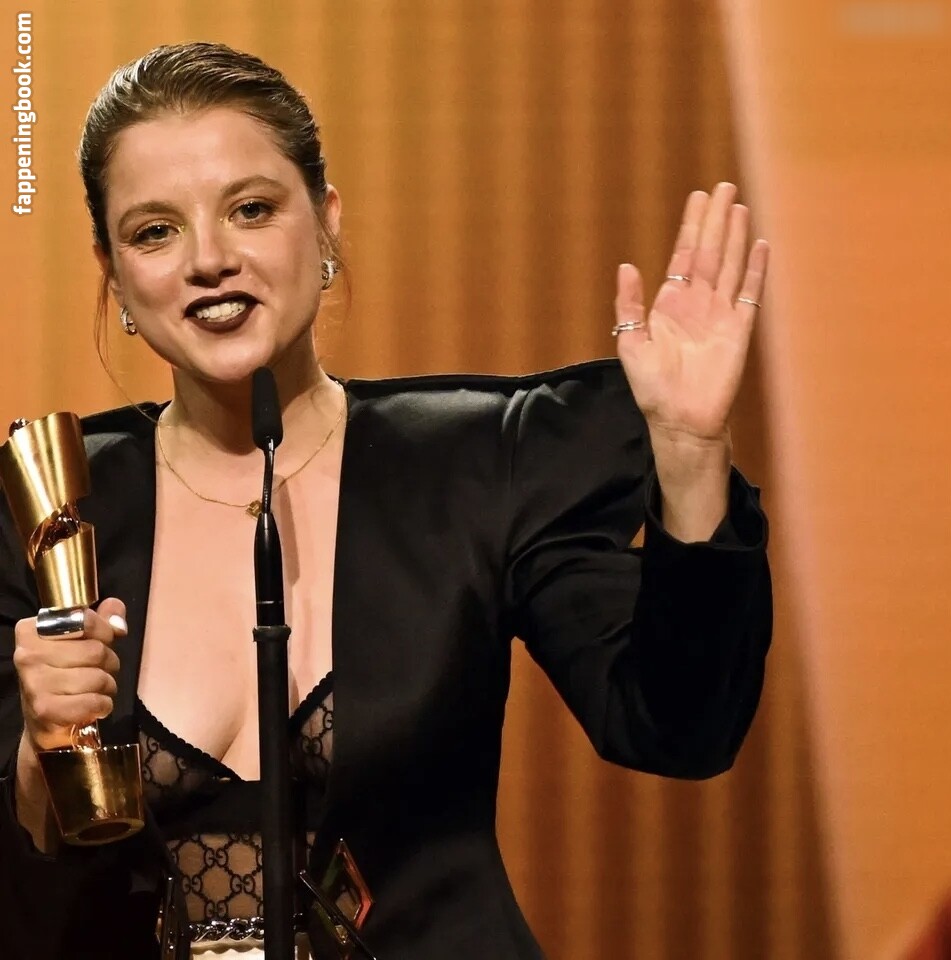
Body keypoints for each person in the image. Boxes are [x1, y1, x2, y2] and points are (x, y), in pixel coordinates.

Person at [0, 41, 772, 960]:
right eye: (155, 231)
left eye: (251, 210)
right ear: (113, 270)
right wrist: (41, 749)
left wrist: (688, 452)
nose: (208, 259)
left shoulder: (479, 463)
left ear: (325, 223)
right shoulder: (50, 502)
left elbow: (679, 729)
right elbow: (26, 870)